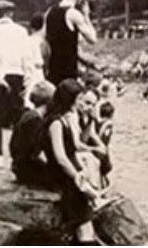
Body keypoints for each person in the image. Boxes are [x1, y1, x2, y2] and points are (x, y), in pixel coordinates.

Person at [42, 79, 102, 244]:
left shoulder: (65, 119)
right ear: (69, 99)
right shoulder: (56, 123)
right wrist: (78, 179)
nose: (81, 102)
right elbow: (60, 158)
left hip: (69, 174)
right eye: (79, 98)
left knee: (85, 224)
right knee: (85, 227)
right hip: (62, 176)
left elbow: (73, 150)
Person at [0, 0, 28, 167]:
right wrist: (27, 81)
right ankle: (16, 155)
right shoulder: (22, 32)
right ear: (11, 14)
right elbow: (27, 58)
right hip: (17, 75)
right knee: (17, 117)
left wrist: (0, 79)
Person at [45, 0, 98, 86]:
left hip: (52, 70)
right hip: (68, 71)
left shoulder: (49, 11)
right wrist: (86, 16)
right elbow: (93, 39)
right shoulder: (73, 14)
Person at [9, 81, 56, 186]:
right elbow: (36, 153)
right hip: (26, 168)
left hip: (22, 164)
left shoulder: (30, 115)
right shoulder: (34, 120)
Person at [21, 13, 50, 109]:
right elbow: (46, 61)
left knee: (27, 96)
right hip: (38, 72)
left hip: (26, 70)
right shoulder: (43, 43)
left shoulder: (26, 40)